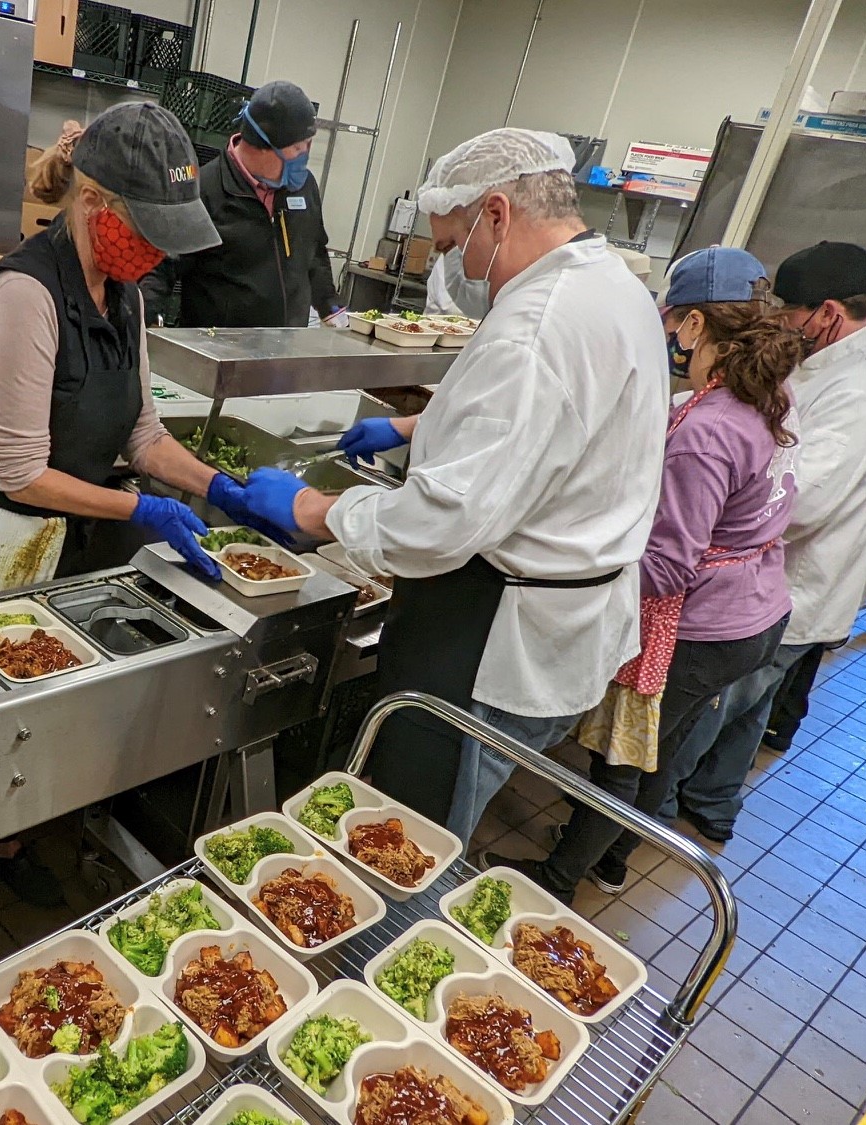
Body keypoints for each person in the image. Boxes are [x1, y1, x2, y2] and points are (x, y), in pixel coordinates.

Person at [0, 103, 279, 969]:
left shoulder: (129, 297)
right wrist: (141, 510)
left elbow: (141, 433)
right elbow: (22, 471)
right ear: (95, 205)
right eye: (144, 232)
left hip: (61, 539)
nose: (153, 254)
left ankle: (2, 844)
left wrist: (217, 487)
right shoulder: (24, 293)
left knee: (34, 702)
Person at [234, 128, 667, 843]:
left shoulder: (534, 327)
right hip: (567, 618)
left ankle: (394, 942)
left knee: (413, 837)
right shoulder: (612, 286)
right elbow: (543, 437)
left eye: (447, 244)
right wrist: (414, 432)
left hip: (494, 631)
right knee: (437, 822)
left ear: (496, 213)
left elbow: (442, 522)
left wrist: (314, 509)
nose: (447, 265)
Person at [485, 248, 801, 901]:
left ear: (691, 325)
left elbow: (666, 563)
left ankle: (557, 879)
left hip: (706, 621)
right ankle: (607, 856)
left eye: (671, 324)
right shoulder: (764, 393)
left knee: (624, 757)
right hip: (760, 608)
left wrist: (570, 566)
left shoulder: (707, 427)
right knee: (663, 749)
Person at [662, 241, 866, 841]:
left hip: (793, 582)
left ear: (829, 313)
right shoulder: (838, 366)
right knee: (747, 713)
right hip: (778, 591)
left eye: (791, 314)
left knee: (709, 714)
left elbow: (803, 498)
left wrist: (721, 490)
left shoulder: (860, 386)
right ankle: (712, 807)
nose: (784, 327)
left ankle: (647, 825)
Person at [139, 81, 345, 329]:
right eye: (298, 148)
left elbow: (315, 252)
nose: (305, 156)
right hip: (220, 354)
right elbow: (159, 269)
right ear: (264, 148)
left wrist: (331, 308)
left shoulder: (304, 186)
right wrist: (149, 323)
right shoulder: (203, 193)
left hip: (285, 350)